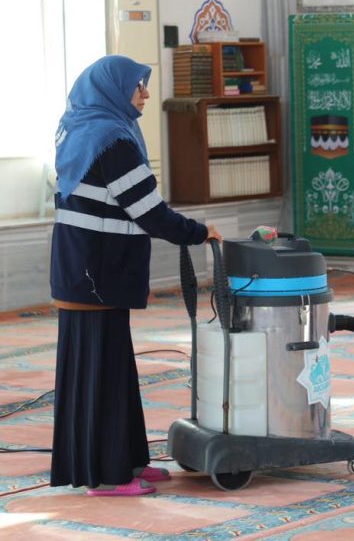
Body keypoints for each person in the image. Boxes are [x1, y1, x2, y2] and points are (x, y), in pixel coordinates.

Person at [50, 55, 221, 496]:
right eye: (138, 86)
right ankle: (105, 477)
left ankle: (125, 460)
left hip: (89, 272)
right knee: (101, 374)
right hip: (95, 273)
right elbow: (149, 213)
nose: (145, 94)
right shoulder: (112, 141)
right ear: (112, 89)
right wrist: (201, 233)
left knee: (114, 369)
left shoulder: (86, 128)